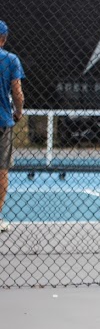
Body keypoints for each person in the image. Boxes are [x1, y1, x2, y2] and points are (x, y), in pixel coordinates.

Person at [0, 20, 25, 233]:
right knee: (1, 169)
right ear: (4, 38)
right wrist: (18, 112)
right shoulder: (10, 60)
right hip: (2, 121)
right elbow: (17, 92)